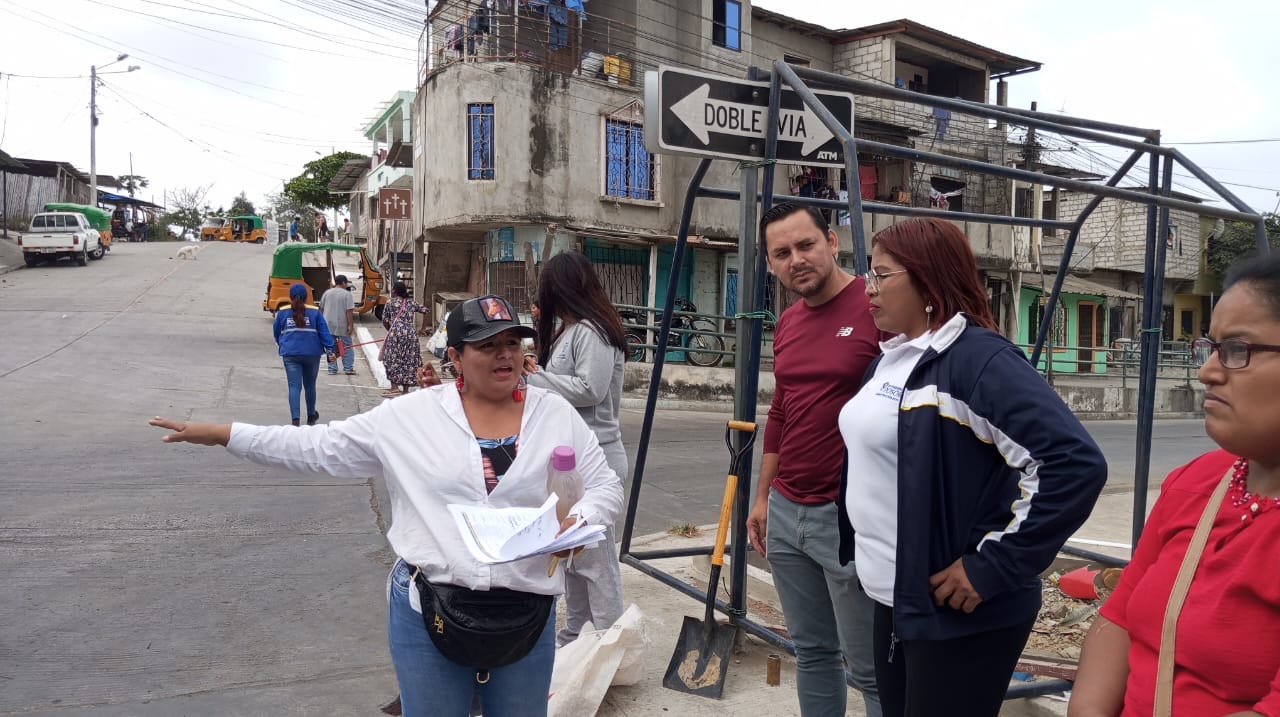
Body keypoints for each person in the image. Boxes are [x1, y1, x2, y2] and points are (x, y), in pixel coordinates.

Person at [149, 294, 623, 717]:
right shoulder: (409, 418)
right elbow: (317, 446)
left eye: (512, 343)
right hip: (429, 606)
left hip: (527, 611)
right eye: (487, 345)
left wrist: (580, 520)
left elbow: (605, 486)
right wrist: (227, 434)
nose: (505, 354)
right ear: (455, 357)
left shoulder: (554, 414)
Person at [841, 217, 1107, 717]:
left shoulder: (977, 359)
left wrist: (993, 566)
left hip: (956, 609)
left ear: (927, 279)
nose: (868, 288)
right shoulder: (890, 359)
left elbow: (1074, 464)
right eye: (868, 274)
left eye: (882, 275)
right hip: (894, 598)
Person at [1070, 252, 1280, 717]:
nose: (1207, 371)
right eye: (1211, 347)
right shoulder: (1198, 481)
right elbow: (1121, 613)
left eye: (1237, 349)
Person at [745, 202, 883, 717]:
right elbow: (782, 410)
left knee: (871, 670)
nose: (796, 260)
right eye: (781, 253)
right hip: (787, 513)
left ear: (832, 241)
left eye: (805, 245)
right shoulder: (788, 322)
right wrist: (762, 497)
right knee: (812, 652)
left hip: (848, 517)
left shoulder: (876, 308)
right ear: (770, 263)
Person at [523, 251, 627, 646]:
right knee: (572, 554)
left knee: (597, 562)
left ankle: (610, 642)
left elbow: (591, 389)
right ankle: (575, 634)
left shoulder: (593, 331)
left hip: (596, 459)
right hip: (568, 463)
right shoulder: (568, 331)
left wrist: (538, 378)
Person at [274, 283, 336, 426]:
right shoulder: (315, 312)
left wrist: (282, 344)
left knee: (294, 387)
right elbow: (324, 333)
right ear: (306, 297)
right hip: (312, 353)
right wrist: (330, 350)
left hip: (290, 354)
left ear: (290, 297)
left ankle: (295, 420)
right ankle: (311, 416)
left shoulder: (282, 312)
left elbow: (276, 333)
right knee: (310, 385)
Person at [381, 281, 431, 398]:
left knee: (391, 359)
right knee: (409, 361)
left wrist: (391, 330)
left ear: (394, 291)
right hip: (411, 335)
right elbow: (426, 311)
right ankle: (405, 389)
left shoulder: (390, 302)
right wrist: (423, 328)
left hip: (395, 335)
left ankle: (394, 387)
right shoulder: (411, 302)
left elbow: (385, 320)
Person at [320, 275, 357, 376]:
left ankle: (332, 369)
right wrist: (350, 325)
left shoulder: (327, 293)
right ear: (344, 283)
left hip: (328, 325)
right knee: (347, 346)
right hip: (342, 325)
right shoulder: (347, 294)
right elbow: (349, 311)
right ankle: (348, 368)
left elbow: (321, 309)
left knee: (330, 346)